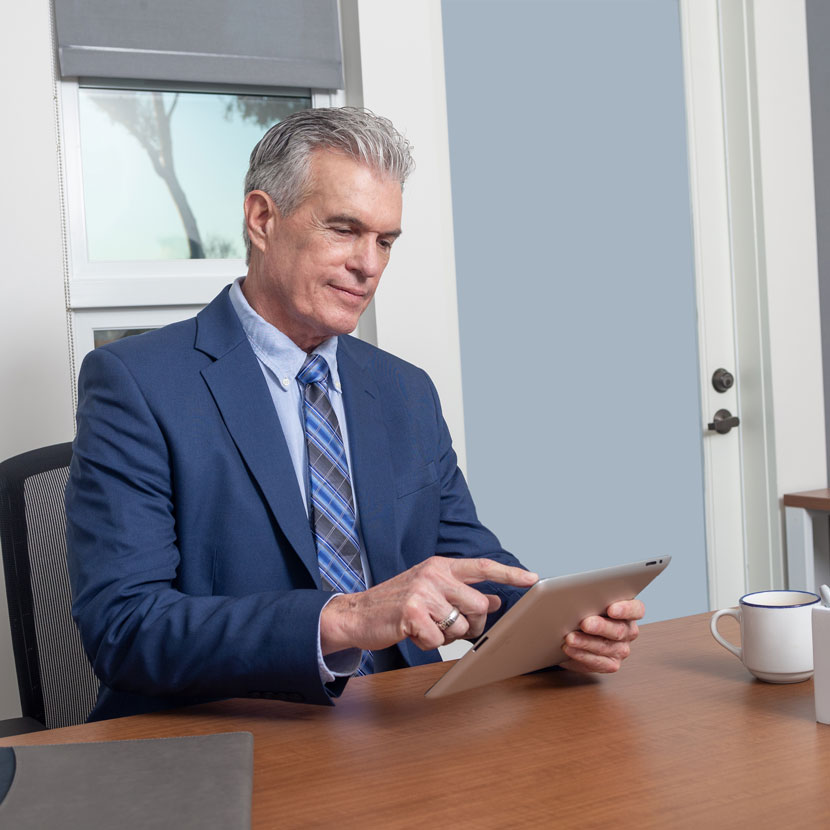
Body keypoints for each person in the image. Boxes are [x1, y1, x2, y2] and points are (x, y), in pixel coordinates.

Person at [65, 107, 642, 721]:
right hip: (225, 732)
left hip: (402, 718)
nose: (369, 265)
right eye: (344, 230)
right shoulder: (137, 383)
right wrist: (347, 618)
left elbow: (465, 562)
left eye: (385, 241)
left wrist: (556, 629)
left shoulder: (404, 389)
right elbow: (125, 629)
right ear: (262, 219)